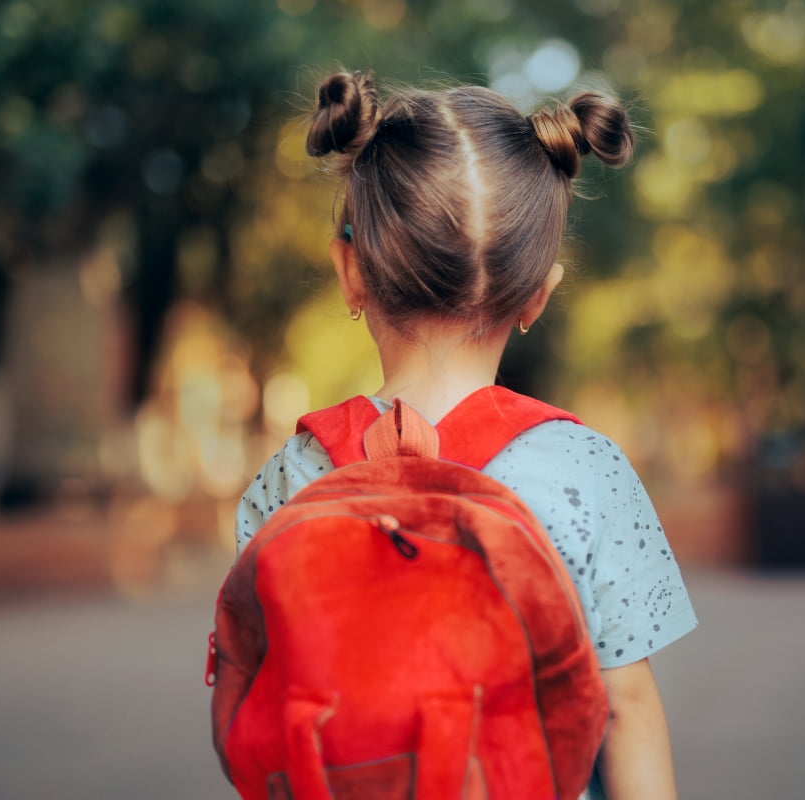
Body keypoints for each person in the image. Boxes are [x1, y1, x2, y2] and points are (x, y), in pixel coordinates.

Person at [234, 70, 698, 800]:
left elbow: (270, 700)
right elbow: (625, 707)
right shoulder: (586, 470)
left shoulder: (291, 477)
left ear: (350, 272)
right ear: (538, 293)